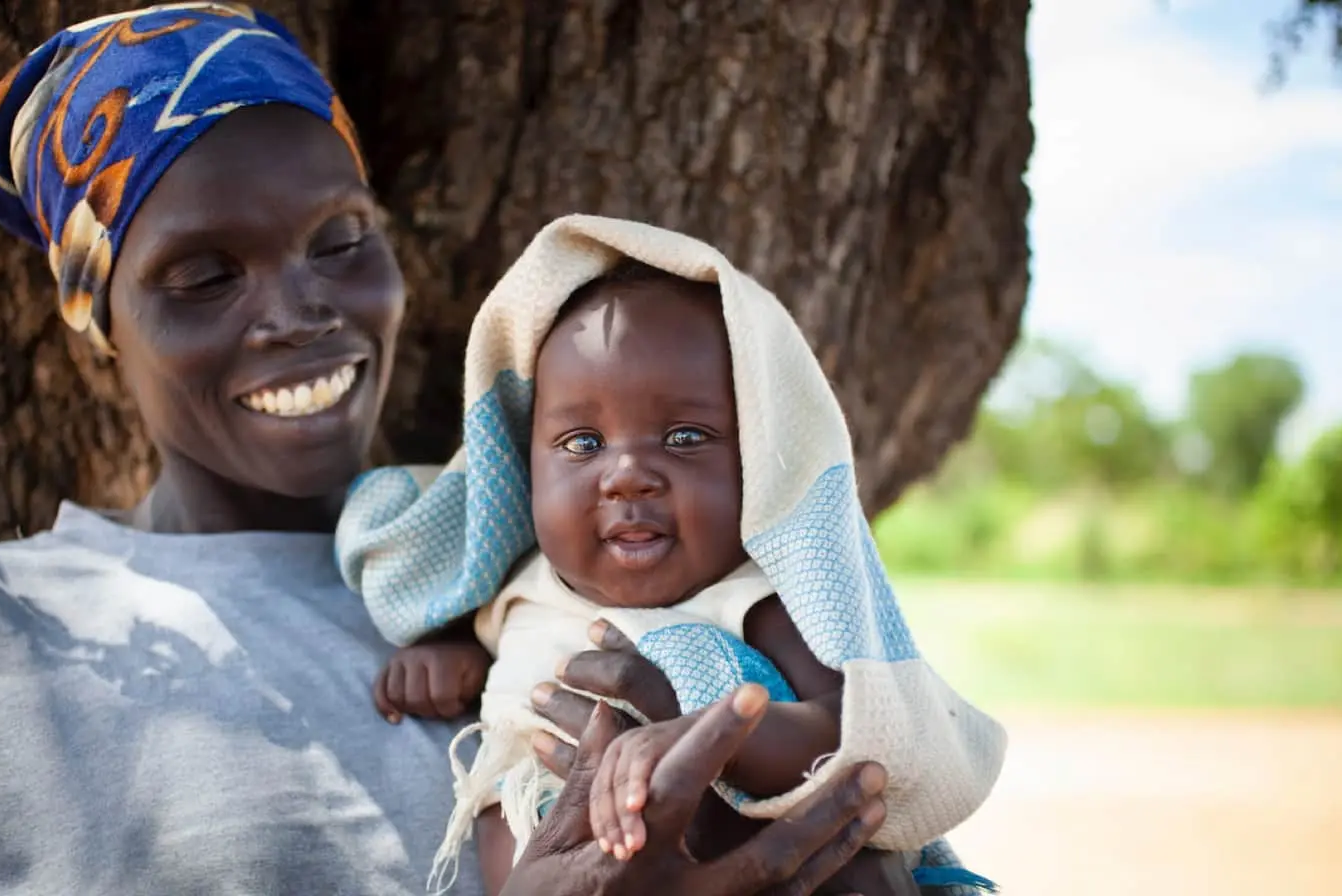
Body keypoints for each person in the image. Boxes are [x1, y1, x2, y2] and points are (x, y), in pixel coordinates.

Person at [0, 4, 908, 895]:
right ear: (97, 337)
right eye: (204, 276)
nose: (298, 311)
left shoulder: (590, 561)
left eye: (339, 242)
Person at [339, 217, 1007, 895]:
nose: (626, 474)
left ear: (755, 460)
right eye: (581, 442)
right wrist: (453, 657)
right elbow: (516, 663)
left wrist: (706, 736)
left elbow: (850, 731)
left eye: (685, 436)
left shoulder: (755, 596)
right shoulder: (519, 587)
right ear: (521, 464)